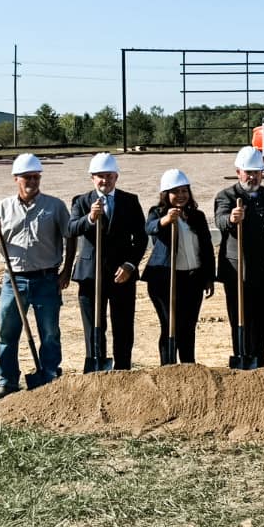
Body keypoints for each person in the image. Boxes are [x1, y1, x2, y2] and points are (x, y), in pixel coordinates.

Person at [0, 154, 71, 399]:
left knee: (50, 332)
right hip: (14, 279)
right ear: (16, 179)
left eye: (36, 176)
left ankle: (50, 374)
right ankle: (7, 381)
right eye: (27, 177)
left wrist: (67, 270)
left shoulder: (55, 206)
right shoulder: (3, 207)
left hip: (46, 278)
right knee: (7, 332)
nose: (32, 181)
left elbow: (70, 236)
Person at [67, 152, 148, 371]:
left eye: (109, 176)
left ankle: (122, 368)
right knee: (94, 325)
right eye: (100, 176)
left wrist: (130, 265)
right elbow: (71, 228)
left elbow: (141, 238)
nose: (105, 180)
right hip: (90, 275)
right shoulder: (81, 202)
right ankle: (96, 364)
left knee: (122, 325)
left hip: (121, 274)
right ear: (92, 178)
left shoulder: (130, 201)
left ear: (116, 177)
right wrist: (90, 218)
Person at [214, 145, 264, 368]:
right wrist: (231, 219)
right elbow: (220, 220)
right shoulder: (227, 196)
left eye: (257, 172)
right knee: (241, 320)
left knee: (263, 319)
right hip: (240, 275)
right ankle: (243, 358)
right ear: (238, 172)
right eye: (248, 172)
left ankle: (259, 361)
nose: (253, 176)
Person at [143, 169, 215, 364]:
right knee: (170, 326)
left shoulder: (197, 216)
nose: (181, 195)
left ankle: (188, 366)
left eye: (184, 191)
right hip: (165, 280)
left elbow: (206, 247)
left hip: (192, 280)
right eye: (176, 191)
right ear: (166, 194)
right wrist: (166, 220)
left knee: (188, 326)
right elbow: (149, 228)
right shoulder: (156, 212)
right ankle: (168, 367)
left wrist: (209, 277)